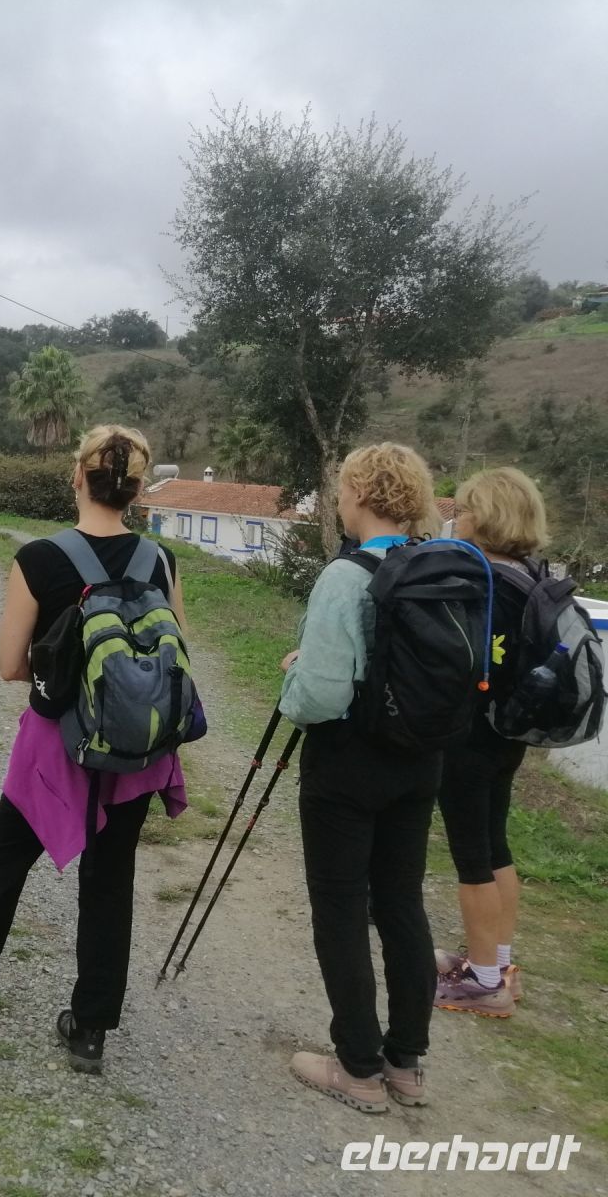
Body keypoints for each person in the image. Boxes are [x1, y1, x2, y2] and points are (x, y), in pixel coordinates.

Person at [0, 426, 189, 1075]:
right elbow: (178, 654)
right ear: (138, 490)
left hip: (55, 746)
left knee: (8, 859)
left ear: (77, 478)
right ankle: (90, 1029)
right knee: (111, 879)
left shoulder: (39, 559)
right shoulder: (160, 562)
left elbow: (11, 664)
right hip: (135, 752)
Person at [280, 442, 441, 1114]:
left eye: (343, 489)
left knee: (342, 907)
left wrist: (295, 681)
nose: (340, 501)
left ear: (363, 495)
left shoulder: (346, 576)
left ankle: (357, 1067)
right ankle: (406, 1063)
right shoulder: (438, 565)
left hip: (347, 764)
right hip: (420, 758)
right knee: (401, 903)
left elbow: (320, 696)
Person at [432, 468, 550, 1017]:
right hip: (510, 732)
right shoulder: (530, 577)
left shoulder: (483, 582)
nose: (457, 518)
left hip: (471, 737)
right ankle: (499, 963)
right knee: (494, 845)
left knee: (472, 857)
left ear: (486, 516)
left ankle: (483, 984)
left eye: (463, 509)